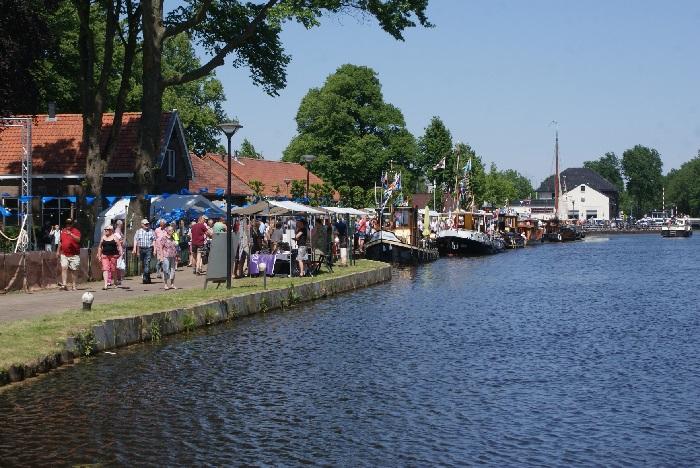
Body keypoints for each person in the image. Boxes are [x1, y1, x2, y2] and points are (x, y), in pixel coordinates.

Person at [57, 218, 81, 291]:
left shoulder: (76, 231)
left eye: (70, 223)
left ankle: (74, 285)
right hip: (64, 254)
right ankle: (64, 285)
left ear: (72, 224)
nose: (68, 225)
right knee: (64, 267)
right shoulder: (63, 231)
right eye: (67, 223)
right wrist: (58, 251)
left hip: (74, 254)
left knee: (74, 270)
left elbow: (78, 240)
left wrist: (71, 234)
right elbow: (60, 242)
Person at [97, 224, 122, 290]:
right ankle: (105, 284)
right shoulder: (103, 237)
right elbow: (100, 247)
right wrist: (99, 255)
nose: (105, 231)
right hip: (104, 255)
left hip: (113, 255)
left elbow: (119, 246)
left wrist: (121, 253)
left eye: (107, 229)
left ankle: (115, 282)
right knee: (105, 269)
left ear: (111, 231)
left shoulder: (115, 237)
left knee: (113, 269)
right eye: (105, 229)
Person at [132, 219, 155, 284]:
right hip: (141, 249)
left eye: (147, 224)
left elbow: (154, 240)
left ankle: (145, 277)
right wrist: (134, 249)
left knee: (147, 263)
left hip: (149, 249)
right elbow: (135, 240)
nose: (146, 225)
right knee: (143, 264)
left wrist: (155, 249)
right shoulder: (138, 231)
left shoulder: (151, 231)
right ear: (142, 224)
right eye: (145, 224)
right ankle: (148, 277)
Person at [156, 225, 179, 290]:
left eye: (172, 230)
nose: (172, 231)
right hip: (166, 256)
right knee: (166, 270)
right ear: (167, 231)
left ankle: (172, 284)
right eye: (171, 230)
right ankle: (165, 284)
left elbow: (176, 247)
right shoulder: (164, 238)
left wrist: (177, 255)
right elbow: (161, 247)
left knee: (173, 270)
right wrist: (161, 256)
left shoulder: (173, 238)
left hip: (173, 256)